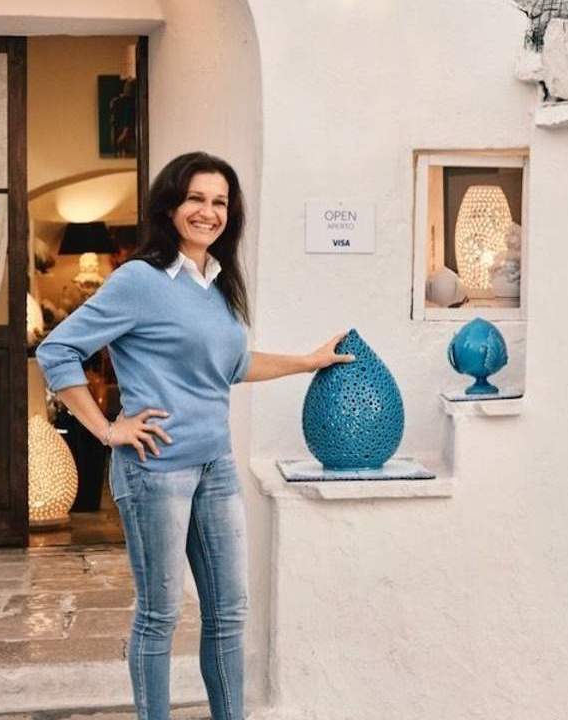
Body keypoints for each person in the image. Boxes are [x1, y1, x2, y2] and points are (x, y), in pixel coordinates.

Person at [36, 151, 352, 720]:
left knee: (229, 613)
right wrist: (108, 429)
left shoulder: (216, 284)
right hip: (156, 471)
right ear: (171, 206)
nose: (209, 212)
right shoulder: (140, 279)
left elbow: (230, 366)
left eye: (220, 202)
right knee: (159, 615)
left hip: (215, 465)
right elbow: (57, 349)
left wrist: (308, 362)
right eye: (196, 199)